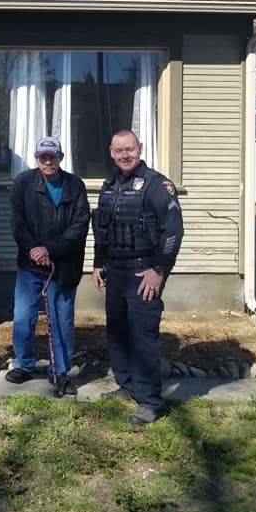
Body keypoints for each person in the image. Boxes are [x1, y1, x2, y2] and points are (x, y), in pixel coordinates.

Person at [92, 129, 184, 426]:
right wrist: (97, 264)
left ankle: (149, 401)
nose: (125, 155)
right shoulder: (110, 185)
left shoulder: (158, 185)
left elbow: (173, 231)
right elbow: (102, 231)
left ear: (140, 148)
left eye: (129, 149)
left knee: (143, 337)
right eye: (119, 151)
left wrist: (159, 271)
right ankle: (127, 384)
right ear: (111, 152)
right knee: (117, 332)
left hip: (143, 273)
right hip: (114, 273)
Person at [7, 137, 90, 397]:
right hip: (30, 264)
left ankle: (60, 370)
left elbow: (79, 226)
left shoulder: (75, 185)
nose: (47, 161)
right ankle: (23, 363)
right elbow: (18, 223)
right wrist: (35, 249)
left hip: (64, 265)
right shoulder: (23, 183)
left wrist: (50, 249)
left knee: (61, 319)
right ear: (36, 158)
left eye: (52, 157)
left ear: (60, 158)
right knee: (23, 316)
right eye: (43, 157)